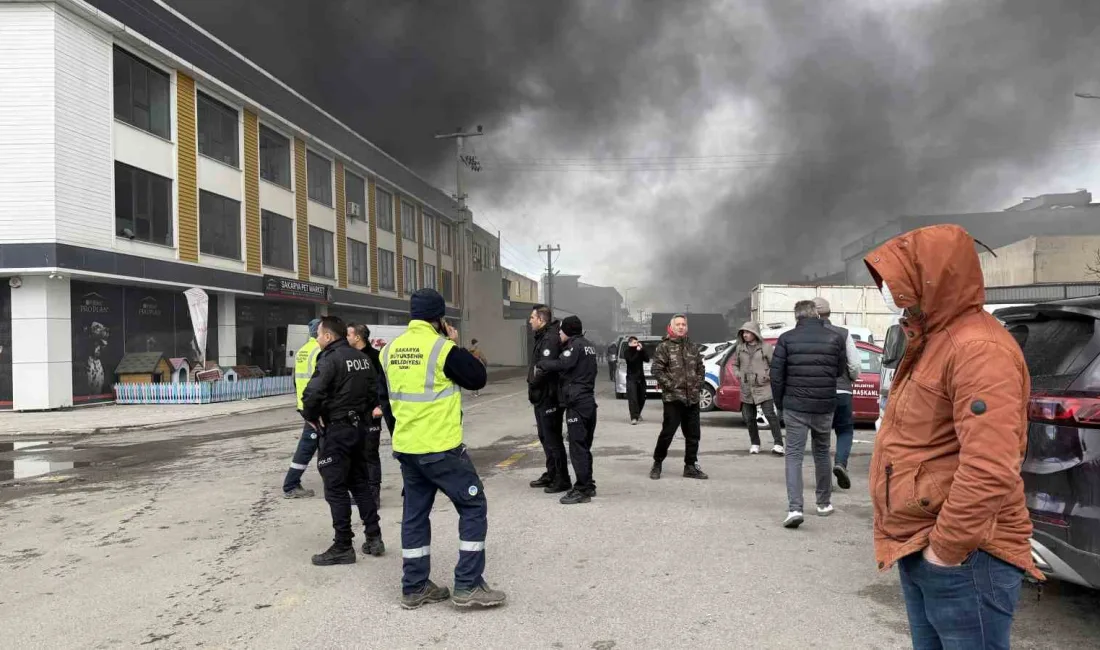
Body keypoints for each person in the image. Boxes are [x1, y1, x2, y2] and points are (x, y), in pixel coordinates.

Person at [864, 224, 1039, 648]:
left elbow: (990, 466)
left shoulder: (977, 349)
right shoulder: (934, 340)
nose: (890, 289)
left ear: (933, 276)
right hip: (926, 543)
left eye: (899, 278)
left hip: (965, 555)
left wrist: (945, 550)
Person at [380, 289, 506, 610]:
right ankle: (467, 584)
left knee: (415, 516)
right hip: (441, 449)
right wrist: (455, 343)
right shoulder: (442, 348)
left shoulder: (389, 350)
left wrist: (402, 437)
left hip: (408, 449)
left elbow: (386, 401)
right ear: (440, 319)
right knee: (473, 505)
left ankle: (415, 586)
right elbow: (477, 378)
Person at [300, 316, 385, 565]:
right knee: (359, 482)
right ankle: (373, 536)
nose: (316, 339)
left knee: (335, 488)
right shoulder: (362, 358)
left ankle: (343, 545)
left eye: (318, 334)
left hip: (337, 430)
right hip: (360, 428)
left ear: (328, 336)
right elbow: (374, 393)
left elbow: (313, 393)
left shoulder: (329, 358)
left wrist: (311, 416)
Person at [770, 300, 847, 529]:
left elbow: (776, 376)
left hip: (795, 405)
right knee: (822, 452)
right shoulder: (835, 338)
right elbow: (840, 370)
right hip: (824, 405)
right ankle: (823, 503)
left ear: (797, 316)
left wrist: (779, 403)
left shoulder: (786, 339)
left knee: (794, 455)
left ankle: (795, 508)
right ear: (816, 315)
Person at [536, 315, 599, 504]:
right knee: (584, 447)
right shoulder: (588, 345)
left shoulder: (575, 346)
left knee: (577, 447)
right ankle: (588, 484)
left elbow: (563, 364)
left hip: (577, 404)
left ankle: (582, 489)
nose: (559, 334)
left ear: (568, 331)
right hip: (587, 401)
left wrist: (542, 364)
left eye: (561, 331)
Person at [810, 298, 862, 490]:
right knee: (845, 430)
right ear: (829, 313)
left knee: (819, 436)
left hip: (817, 392)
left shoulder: (807, 334)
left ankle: (823, 481)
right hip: (842, 391)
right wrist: (851, 379)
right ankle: (840, 463)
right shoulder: (843, 333)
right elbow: (855, 364)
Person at [649, 314, 708, 481]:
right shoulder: (664, 347)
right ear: (672, 327)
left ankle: (690, 466)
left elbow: (700, 368)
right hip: (673, 399)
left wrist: (698, 384)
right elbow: (657, 370)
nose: (681, 327)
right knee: (667, 433)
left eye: (684, 324)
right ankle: (657, 463)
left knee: (693, 435)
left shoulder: (692, 347)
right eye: (678, 324)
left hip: (692, 399)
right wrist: (671, 386)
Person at [526, 305, 571, 494]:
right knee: (545, 437)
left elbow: (546, 368)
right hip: (541, 396)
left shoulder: (550, 338)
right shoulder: (543, 336)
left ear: (541, 320)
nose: (530, 321)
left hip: (549, 396)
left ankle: (562, 478)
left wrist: (535, 384)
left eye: (532, 317)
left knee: (553, 439)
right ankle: (552, 473)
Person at [347, 322, 386, 510]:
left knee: (370, 453)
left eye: (348, 335)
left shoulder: (376, 357)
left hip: (372, 413)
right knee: (358, 454)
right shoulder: (350, 357)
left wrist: (380, 406)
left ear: (358, 337)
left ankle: (374, 495)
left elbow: (385, 384)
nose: (346, 338)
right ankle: (362, 493)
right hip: (355, 413)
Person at [283, 318, 322, 499]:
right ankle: (291, 485)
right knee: (308, 445)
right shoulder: (320, 351)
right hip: (315, 408)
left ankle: (334, 480)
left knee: (321, 443)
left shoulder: (303, 350)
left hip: (305, 405)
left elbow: (296, 380)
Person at [732, 321, 784, 456]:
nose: (745, 335)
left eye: (748, 332)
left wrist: (768, 375)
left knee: (770, 415)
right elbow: (735, 364)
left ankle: (778, 444)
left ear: (755, 333)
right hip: (746, 388)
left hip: (763, 387)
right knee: (749, 418)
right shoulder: (739, 348)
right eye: (743, 332)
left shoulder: (766, 347)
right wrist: (738, 373)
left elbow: (775, 365)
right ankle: (755, 443)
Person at [623, 336, 649, 425]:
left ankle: (638, 413)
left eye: (637, 343)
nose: (636, 344)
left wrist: (642, 350)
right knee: (633, 398)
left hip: (641, 378)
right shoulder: (627, 352)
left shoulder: (640, 351)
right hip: (631, 378)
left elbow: (647, 359)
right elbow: (631, 361)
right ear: (629, 343)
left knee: (642, 397)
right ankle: (633, 417)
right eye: (634, 343)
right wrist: (637, 352)